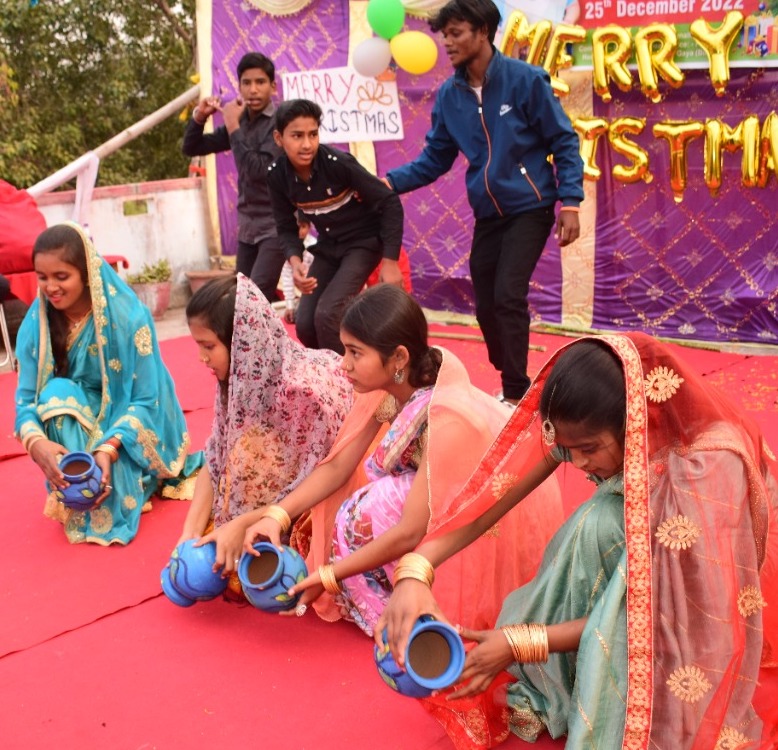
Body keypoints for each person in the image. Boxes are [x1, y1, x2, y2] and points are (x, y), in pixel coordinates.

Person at [376, 333, 778, 748]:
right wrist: (416, 570)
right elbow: (492, 498)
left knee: (600, 523)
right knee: (597, 522)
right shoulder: (591, 431)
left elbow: (659, 614)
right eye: (570, 449)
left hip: (692, 615)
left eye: (589, 449)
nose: (579, 462)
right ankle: (574, 683)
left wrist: (524, 642)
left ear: (634, 421)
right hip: (639, 582)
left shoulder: (703, 470)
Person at [241, 284, 563, 634]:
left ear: (398, 358)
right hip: (434, 509)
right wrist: (276, 516)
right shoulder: (389, 388)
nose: (344, 365)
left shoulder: (446, 416)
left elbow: (411, 531)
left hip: (490, 528)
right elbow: (337, 467)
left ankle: (407, 610)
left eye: (355, 353)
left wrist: (331, 575)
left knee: (378, 504)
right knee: (374, 499)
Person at [385, 0, 584, 405]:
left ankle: (516, 391)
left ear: (483, 32)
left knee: (509, 295)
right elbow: (435, 159)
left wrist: (571, 201)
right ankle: (508, 366)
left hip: (530, 205)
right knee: (486, 308)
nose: (448, 43)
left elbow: (563, 140)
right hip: (488, 213)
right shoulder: (450, 95)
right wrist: (388, 183)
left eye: (456, 33)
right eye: (445, 35)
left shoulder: (525, 80)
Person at [14, 222, 203, 545]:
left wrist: (108, 448)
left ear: (87, 273)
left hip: (126, 424)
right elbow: (26, 402)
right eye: (42, 277)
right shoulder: (38, 325)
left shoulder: (129, 318)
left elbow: (147, 400)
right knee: (56, 394)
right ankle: (77, 480)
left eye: (61, 276)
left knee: (114, 486)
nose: (50, 287)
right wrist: (36, 444)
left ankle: (121, 476)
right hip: (78, 418)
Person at [179, 273, 353, 577]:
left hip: (317, 498)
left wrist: (244, 523)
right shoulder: (239, 378)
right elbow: (216, 455)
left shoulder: (303, 395)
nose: (201, 358)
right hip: (280, 487)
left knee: (271, 572)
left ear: (244, 342)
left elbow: (321, 484)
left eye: (208, 346)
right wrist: (188, 535)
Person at [266, 99, 405, 354]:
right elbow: (285, 226)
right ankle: (327, 372)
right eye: (297, 136)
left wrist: (390, 262)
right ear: (279, 138)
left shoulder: (338, 163)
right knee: (305, 325)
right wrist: (296, 263)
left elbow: (390, 202)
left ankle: (348, 375)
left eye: (313, 134)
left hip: (363, 243)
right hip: (329, 246)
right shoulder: (277, 175)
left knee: (328, 314)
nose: (307, 144)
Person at [182, 52, 285, 302]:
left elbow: (257, 171)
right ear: (239, 87)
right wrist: (200, 116)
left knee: (255, 299)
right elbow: (192, 147)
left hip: (276, 224)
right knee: (240, 301)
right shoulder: (240, 120)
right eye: (246, 83)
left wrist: (232, 126)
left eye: (260, 82)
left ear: (273, 87)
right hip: (247, 226)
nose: (253, 90)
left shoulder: (281, 123)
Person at [279, 211, 316, 323]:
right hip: (299, 293)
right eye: (297, 227)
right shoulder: (289, 251)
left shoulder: (314, 246)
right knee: (295, 317)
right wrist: (289, 305)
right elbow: (287, 277)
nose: (300, 231)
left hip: (314, 291)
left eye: (303, 226)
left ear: (309, 227)